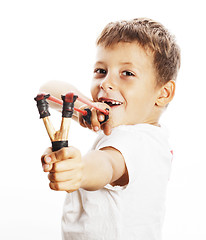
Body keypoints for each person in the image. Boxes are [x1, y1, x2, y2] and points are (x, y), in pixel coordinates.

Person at [40, 18, 181, 240]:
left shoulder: (137, 141)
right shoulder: (152, 137)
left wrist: (80, 169)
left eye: (127, 73)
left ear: (163, 93)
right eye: (100, 70)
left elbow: (108, 164)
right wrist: (82, 109)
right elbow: (47, 92)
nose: (106, 83)